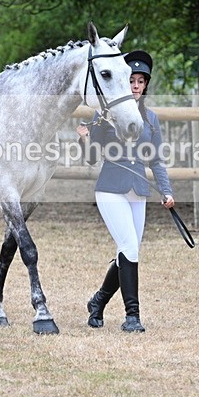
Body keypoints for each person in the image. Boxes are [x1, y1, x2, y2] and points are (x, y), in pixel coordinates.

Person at [76, 50, 175, 333]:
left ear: (145, 85)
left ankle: (98, 301)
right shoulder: (103, 115)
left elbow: (156, 159)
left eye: (141, 81)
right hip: (110, 189)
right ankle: (133, 316)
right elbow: (92, 158)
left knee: (127, 250)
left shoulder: (151, 118)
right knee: (130, 249)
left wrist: (166, 191)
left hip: (138, 191)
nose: (136, 86)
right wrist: (85, 139)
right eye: (132, 80)